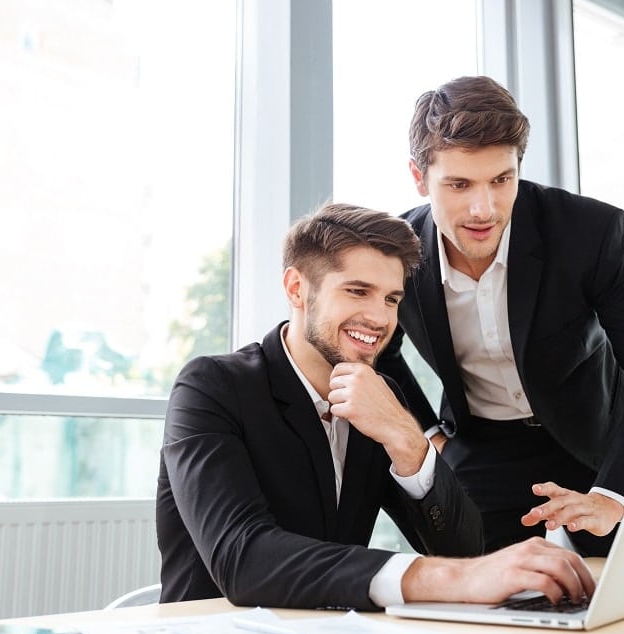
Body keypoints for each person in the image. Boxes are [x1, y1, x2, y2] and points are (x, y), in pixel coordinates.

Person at [156, 202, 594, 611]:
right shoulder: (211, 388)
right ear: (297, 289)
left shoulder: (379, 397)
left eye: (391, 299)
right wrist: (438, 578)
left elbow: (466, 552)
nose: (381, 318)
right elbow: (242, 558)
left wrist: (407, 439)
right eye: (357, 291)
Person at [377, 76, 624, 556]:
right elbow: (375, 350)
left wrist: (614, 495)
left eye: (501, 180)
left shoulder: (588, 233)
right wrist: (429, 434)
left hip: (598, 444)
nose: (483, 208)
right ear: (419, 178)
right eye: (459, 184)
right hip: (481, 448)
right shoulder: (395, 252)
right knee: (481, 598)